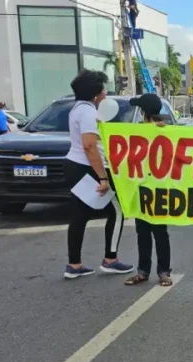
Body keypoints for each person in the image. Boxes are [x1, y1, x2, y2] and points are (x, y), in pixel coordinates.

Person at [63, 69, 133, 279]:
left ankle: (74, 264)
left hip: (74, 165)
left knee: (80, 215)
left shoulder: (77, 109)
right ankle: (110, 259)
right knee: (117, 212)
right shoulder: (89, 113)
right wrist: (102, 178)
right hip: (88, 168)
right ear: (95, 93)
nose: (105, 93)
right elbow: (90, 146)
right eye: (103, 89)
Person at [124, 94, 173, 287]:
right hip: (141, 187)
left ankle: (163, 271)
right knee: (143, 231)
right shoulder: (138, 131)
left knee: (159, 232)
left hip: (159, 188)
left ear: (144, 112)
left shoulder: (166, 131)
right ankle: (143, 271)